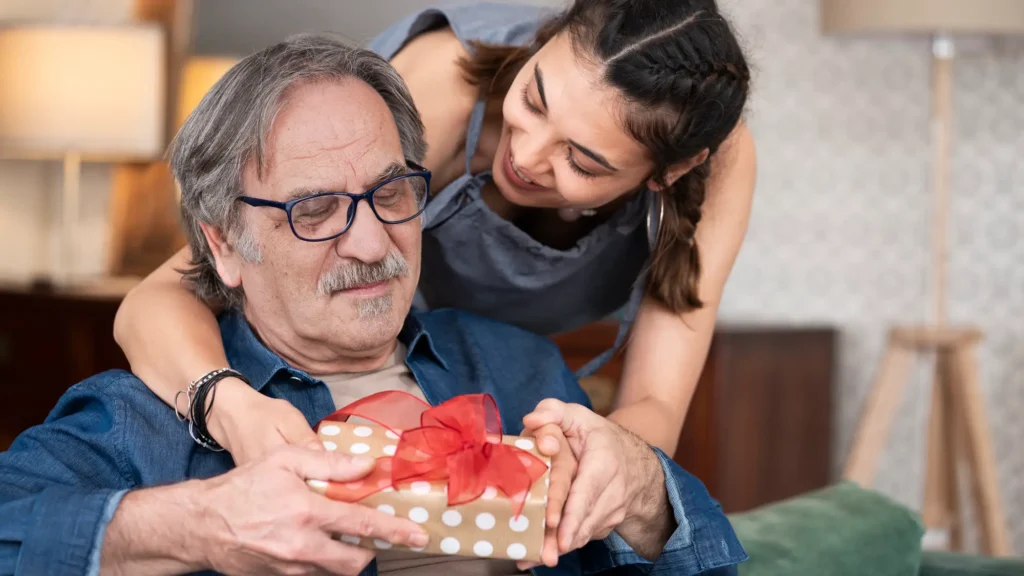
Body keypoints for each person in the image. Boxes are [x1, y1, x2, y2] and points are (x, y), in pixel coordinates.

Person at [0, 34, 745, 576]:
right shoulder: (139, 416)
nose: (370, 242)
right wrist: (197, 525)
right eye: (316, 209)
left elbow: (706, 554)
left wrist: (644, 491)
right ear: (221, 243)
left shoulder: (518, 367)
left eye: (391, 193)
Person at [113, 0, 756, 468]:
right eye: (532, 101)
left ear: (670, 171)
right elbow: (158, 297)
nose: (527, 159)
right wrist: (230, 406)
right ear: (544, 39)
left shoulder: (720, 166)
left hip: (503, 385)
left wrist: (594, 464)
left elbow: (654, 408)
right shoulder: (446, 84)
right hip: (334, 366)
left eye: (583, 162)